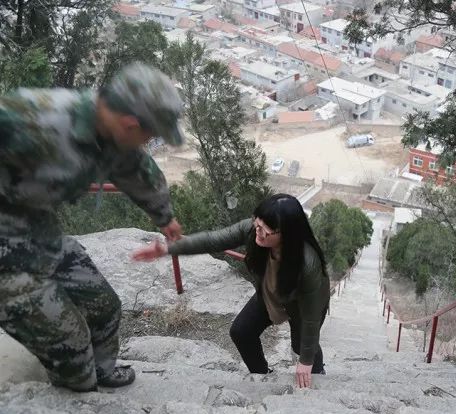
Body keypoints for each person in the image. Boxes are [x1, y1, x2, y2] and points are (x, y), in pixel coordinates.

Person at [0, 62, 184, 392]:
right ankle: (80, 390)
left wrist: (165, 217)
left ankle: (101, 371)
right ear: (130, 124)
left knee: (105, 307)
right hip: (4, 262)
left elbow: (137, 171)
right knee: (70, 342)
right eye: (151, 134)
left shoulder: (111, 138)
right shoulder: (29, 119)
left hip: (39, 235)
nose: (149, 141)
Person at [132, 194, 330, 388]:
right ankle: (262, 378)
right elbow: (213, 240)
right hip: (270, 292)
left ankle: (317, 371)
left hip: (303, 306)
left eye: (265, 231)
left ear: (286, 233)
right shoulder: (252, 230)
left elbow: (311, 318)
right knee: (242, 332)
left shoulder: (307, 264)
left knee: (301, 345)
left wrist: (305, 362)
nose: (258, 232)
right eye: (257, 224)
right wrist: (169, 249)